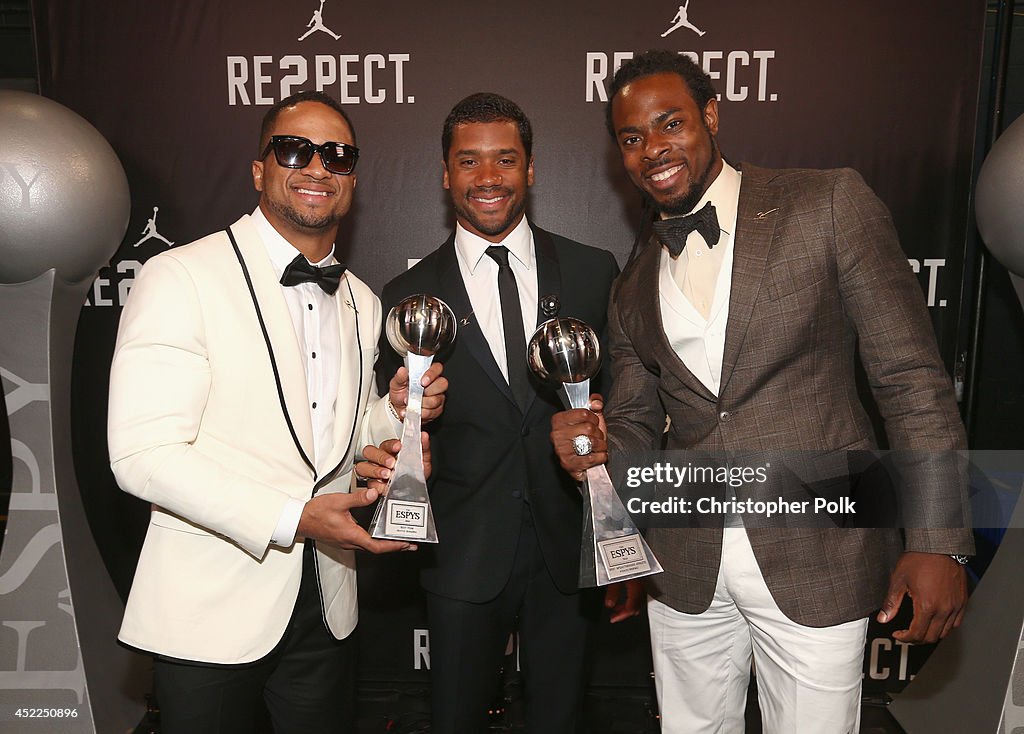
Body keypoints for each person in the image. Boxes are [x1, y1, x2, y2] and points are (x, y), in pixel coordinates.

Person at [552, 50, 973, 733]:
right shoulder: (632, 282)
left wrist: (939, 540)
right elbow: (630, 426)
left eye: (670, 123)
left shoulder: (828, 202)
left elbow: (911, 380)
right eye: (631, 139)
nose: (652, 148)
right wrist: (598, 472)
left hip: (819, 553)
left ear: (711, 115)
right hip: (684, 568)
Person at [107, 90, 446, 734]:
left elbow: (333, 444)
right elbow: (142, 456)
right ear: (259, 169)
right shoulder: (179, 277)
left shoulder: (363, 300)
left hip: (328, 605)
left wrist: (391, 416)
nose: (319, 167)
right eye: (296, 149)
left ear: (352, 178)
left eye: (338, 156)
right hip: (210, 608)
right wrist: (294, 518)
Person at [375, 92, 620, 733]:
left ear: (531, 169)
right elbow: (391, 417)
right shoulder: (406, 297)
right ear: (445, 173)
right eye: (469, 162)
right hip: (460, 553)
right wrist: (404, 407)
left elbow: (624, 404)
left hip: (569, 547)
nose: (488, 178)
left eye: (505, 160)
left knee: (561, 721)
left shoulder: (595, 272)